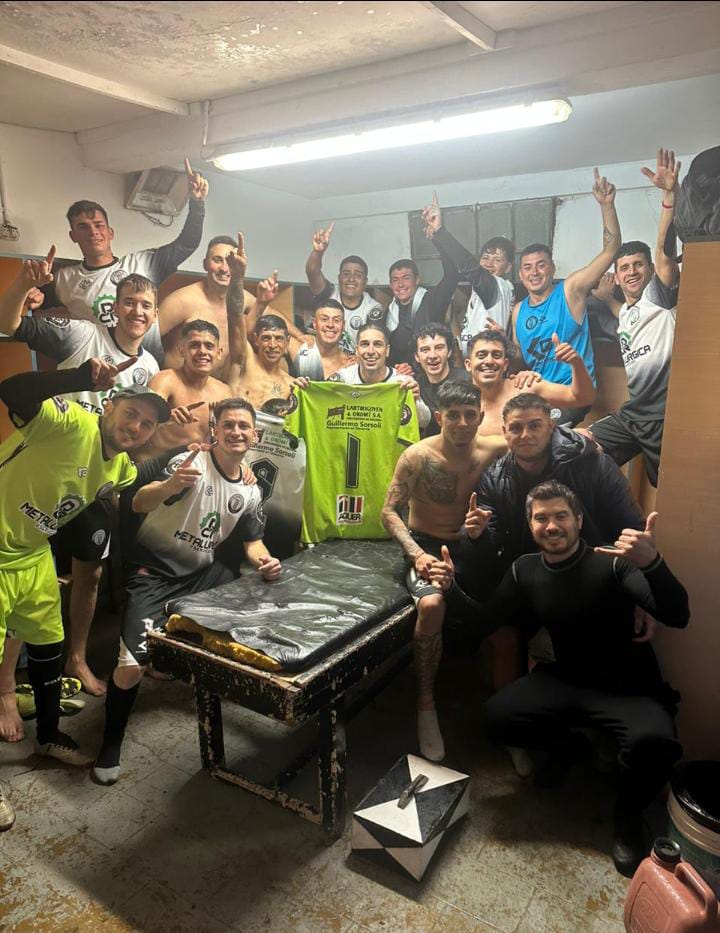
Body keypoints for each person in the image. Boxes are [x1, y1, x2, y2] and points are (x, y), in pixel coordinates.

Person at [453, 482, 689, 877]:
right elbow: (483, 620)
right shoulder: (524, 569)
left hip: (628, 686)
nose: (551, 525)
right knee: (495, 718)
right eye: (541, 518)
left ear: (578, 520)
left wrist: (652, 563)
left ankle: (628, 821)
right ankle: (569, 748)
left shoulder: (611, 562)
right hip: (566, 678)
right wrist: (450, 588)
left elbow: (678, 615)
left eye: (561, 515)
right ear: (530, 525)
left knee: (657, 744)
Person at [0, 356, 171, 825]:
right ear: (108, 405)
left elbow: (137, 489)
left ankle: (49, 736)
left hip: (31, 553)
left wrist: (182, 470)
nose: (136, 427)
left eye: (147, 424)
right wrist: (79, 379)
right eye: (131, 414)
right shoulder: (70, 420)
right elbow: (12, 390)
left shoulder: (119, 468)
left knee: (48, 645)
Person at [94, 398, 281, 786]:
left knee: (249, 592)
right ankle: (109, 745)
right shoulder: (191, 462)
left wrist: (265, 561)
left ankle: (200, 672)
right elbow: (138, 502)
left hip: (200, 575)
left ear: (256, 435)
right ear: (215, 430)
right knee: (130, 668)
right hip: (153, 573)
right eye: (228, 425)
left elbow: (253, 542)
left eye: (243, 426)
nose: (236, 432)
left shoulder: (251, 489)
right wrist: (169, 485)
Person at [0, 252, 162, 699]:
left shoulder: (149, 364)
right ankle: (8, 680)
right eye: (129, 302)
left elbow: (142, 428)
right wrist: (22, 286)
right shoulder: (82, 332)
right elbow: (11, 325)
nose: (137, 311)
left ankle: (76, 657)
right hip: (52, 463)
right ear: (114, 306)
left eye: (146, 305)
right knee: (29, 571)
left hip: (93, 483)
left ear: (154, 315)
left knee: (89, 574)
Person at [466, 393, 644, 690]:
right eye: (516, 427)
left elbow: (631, 529)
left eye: (535, 425)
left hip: (590, 575)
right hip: (528, 580)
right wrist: (476, 536)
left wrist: (637, 592)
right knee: (500, 630)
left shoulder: (592, 464)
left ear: (551, 427)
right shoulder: (494, 478)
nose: (526, 434)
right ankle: (512, 708)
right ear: (505, 432)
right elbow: (492, 549)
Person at [381, 382, 505, 761]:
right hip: (427, 546)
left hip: (473, 544)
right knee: (432, 605)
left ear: (480, 417)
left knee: (511, 602)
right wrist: (417, 554)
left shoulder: (494, 447)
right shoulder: (417, 456)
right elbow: (388, 511)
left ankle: (508, 713)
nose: (462, 423)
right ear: (439, 417)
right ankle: (425, 703)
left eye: (469, 415)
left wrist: (589, 442)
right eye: (453, 415)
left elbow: (542, 438)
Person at [37, 159, 209, 365]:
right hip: (100, 374)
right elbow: (34, 304)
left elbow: (187, 244)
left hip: (147, 370)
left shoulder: (142, 263)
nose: (93, 232)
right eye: (83, 227)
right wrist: (30, 290)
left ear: (110, 233)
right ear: (73, 236)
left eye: (98, 225)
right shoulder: (64, 279)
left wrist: (197, 203)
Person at [588, 149, 681, 487]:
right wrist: (606, 206)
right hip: (632, 415)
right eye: (624, 267)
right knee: (579, 447)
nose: (631, 272)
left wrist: (669, 196)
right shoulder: (625, 312)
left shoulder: (659, 299)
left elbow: (665, 253)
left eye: (638, 265)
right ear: (616, 275)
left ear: (651, 270)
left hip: (664, 417)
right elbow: (621, 310)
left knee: (670, 487)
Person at [510, 168, 622, 424]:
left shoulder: (570, 290)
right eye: (527, 267)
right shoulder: (518, 311)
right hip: (538, 394)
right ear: (521, 274)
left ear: (552, 268)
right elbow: (519, 357)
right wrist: (499, 342)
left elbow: (611, 250)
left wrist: (606, 206)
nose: (534, 272)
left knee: (546, 435)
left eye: (541, 265)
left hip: (573, 394)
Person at [159, 235, 263, 373]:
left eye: (229, 262)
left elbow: (279, 321)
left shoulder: (244, 298)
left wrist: (296, 339)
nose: (224, 268)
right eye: (217, 260)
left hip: (219, 384)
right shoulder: (183, 300)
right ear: (205, 264)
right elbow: (145, 336)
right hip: (178, 382)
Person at [465, 329, 595, 436]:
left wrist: (576, 363)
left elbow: (583, 398)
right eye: (481, 355)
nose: (489, 361)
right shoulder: (459, 401)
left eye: (496, 355)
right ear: (468, 364)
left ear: (505, 364)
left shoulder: (524, 386)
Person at [222, 236, 298, 413]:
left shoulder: (292, 385)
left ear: (287, 342)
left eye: (278, 339)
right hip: (234, 428)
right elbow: (235, 317)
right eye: (266, 338)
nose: (272, 345)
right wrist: (237, 278)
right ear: (256, 340)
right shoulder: (244, 361)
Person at [385, 195, 462, 369]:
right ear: (390, 285)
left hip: (432, 373)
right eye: (395, 280)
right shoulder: (388, 312)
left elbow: (452, 274)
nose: (401, 284)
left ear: (417, 280)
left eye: (406, 278)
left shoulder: (431, 301)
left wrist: (438, 236)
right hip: (401, 377)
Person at [329, 322, 432, 430]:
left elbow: (424, 422)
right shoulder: (343, 379)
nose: (371, 351)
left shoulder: (402, 383)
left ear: (387, 350)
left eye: (377, 344)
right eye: (365, 344)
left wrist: (415, 401)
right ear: (357, 350)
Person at [305, 223, 384, 352]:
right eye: (346, 274)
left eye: (357, 275)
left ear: (365, 282)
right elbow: (312, 271)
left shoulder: (372, 308)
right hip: (322, 357)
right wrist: (318, 252)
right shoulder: (329, 293)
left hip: (354, 361)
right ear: (339, 278)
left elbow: (372, 343)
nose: (351, 279)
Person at [412, 324, 469, 436]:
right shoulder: (414, 386)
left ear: (449, 351)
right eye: (425, 350)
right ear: (417, 356)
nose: (432, 355)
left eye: (439, 348)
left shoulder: (467, 381)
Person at [292, 299, 355, 380]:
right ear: (314, 323)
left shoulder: (351, 363)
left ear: (343, 325)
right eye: (324, 319)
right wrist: (299, 334)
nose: (330, 325)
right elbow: (273, 311)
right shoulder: (300, 350)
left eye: (336, 320)